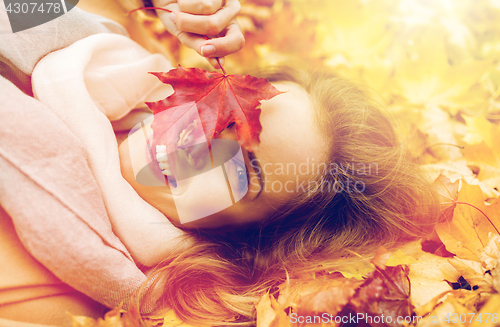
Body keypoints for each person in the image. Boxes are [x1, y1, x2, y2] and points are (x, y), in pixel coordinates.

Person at [0, 0, 439, 326]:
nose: (200, 144)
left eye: (244, 172)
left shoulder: (61, 288)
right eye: (231, 114)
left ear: (245, 237)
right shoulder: (98, 47)